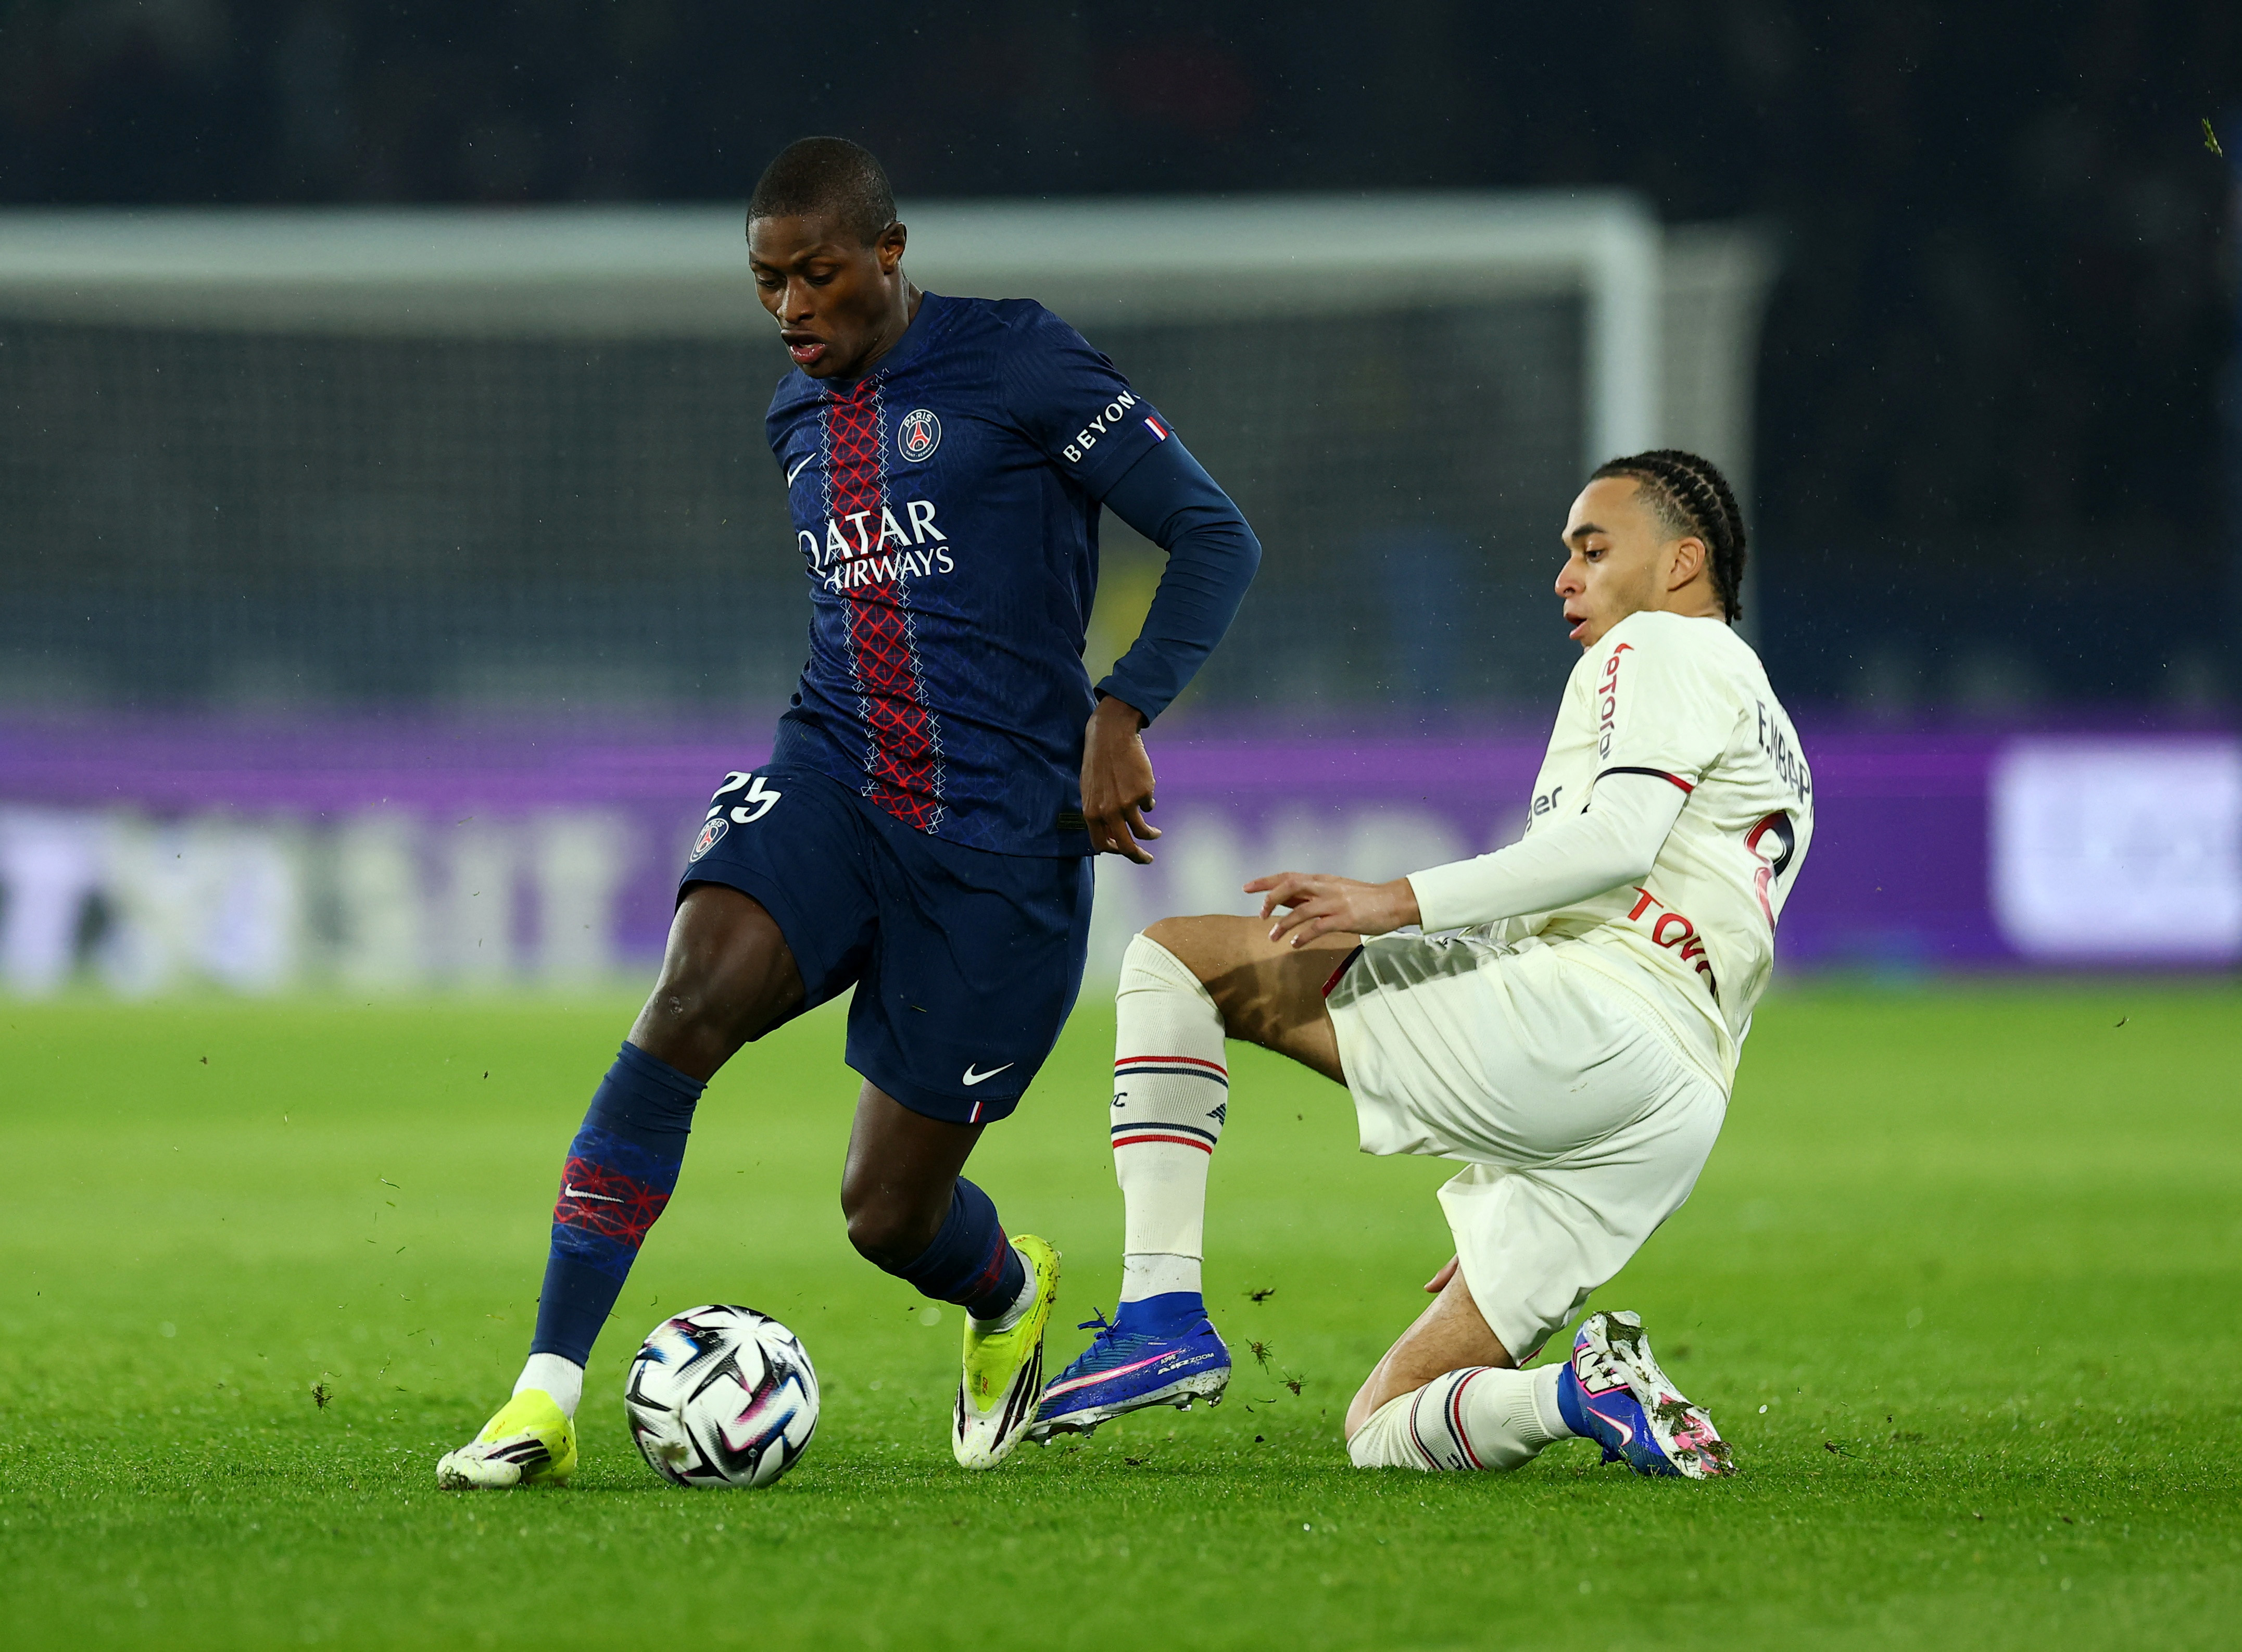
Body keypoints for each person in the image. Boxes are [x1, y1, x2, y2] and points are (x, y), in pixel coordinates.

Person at [437, 136, 1260, 1487]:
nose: (791, 308)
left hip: (1002, 847)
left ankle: (1006, 1293)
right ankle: (543, 1392)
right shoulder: (792, 417)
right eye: (767, 283)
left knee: (886, 1213)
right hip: (834, 772)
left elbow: (1217, 533)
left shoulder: (1019, 361)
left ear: (889, 251)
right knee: (692, 991)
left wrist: (1122, 712)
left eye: (817, 275)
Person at [1031, 450, 1809, 1480]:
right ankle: (1579, 1393)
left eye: (1591, 548)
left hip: (1590, 1031)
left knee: (1175, 963)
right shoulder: (1774, 732)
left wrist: (1388, 902)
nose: (1562, 577)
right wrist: (1524, 1148)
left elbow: (1617, 841)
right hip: (1671, 1103)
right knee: (1384, 1424)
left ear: (1680, 563)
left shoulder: (1657, 648)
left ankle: (1157, 1310)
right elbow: (1667, 925)